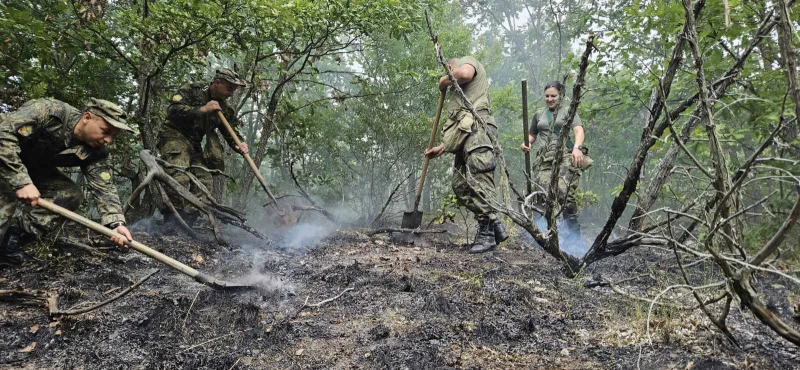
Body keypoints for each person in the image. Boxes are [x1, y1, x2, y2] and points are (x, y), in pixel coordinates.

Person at [0, 98, 134, 267]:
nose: (108, 140)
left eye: (113, 136)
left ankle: (9, 246)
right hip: (5, 154)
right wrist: (21, 182)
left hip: (31, 165)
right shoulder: (49, 111)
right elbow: (3, 135)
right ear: (86, 118)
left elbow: (104, 187)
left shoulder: (95, 151)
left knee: (68, 194)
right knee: (5, 196)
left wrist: (116, 223)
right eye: (105, 131)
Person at [424, 56, 508, 254]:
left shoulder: (467, 62)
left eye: (449, 70)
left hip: (479, 131)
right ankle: (495, 223)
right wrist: (442, 147)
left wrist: (443, 81)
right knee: (460, 185)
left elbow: (463, 74)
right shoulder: (460, 94)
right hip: (467, 136)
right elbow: (461, 125)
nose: (449, 75)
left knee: (480, 181)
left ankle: (487, 235)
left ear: (451, 66)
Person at [158, 68, 248, 224]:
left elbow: (230, 131)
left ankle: (189, 221)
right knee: (179, 173)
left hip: (194, 143)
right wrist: (202, 109)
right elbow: (173, 111)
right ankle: (171, 221)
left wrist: (239, 144)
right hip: (174, 136)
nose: (231, 94)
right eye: (229, 89)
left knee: (204, 181)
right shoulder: (192, 90)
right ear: (217, 82)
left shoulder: (224, 108)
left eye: (233, 90)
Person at [520, 81, 588, 236]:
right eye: (547, 96)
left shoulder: (568, 111)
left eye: (553, 96)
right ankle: (545, 233)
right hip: (544, 159)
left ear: (560, 96)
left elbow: (578, 131)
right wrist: (526, 143)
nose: (550, 99)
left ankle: (573, 233)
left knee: (564, 192)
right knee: (543, 195)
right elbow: (532, 135)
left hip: (564, 155)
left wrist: (577, 148)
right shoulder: (539, 114)